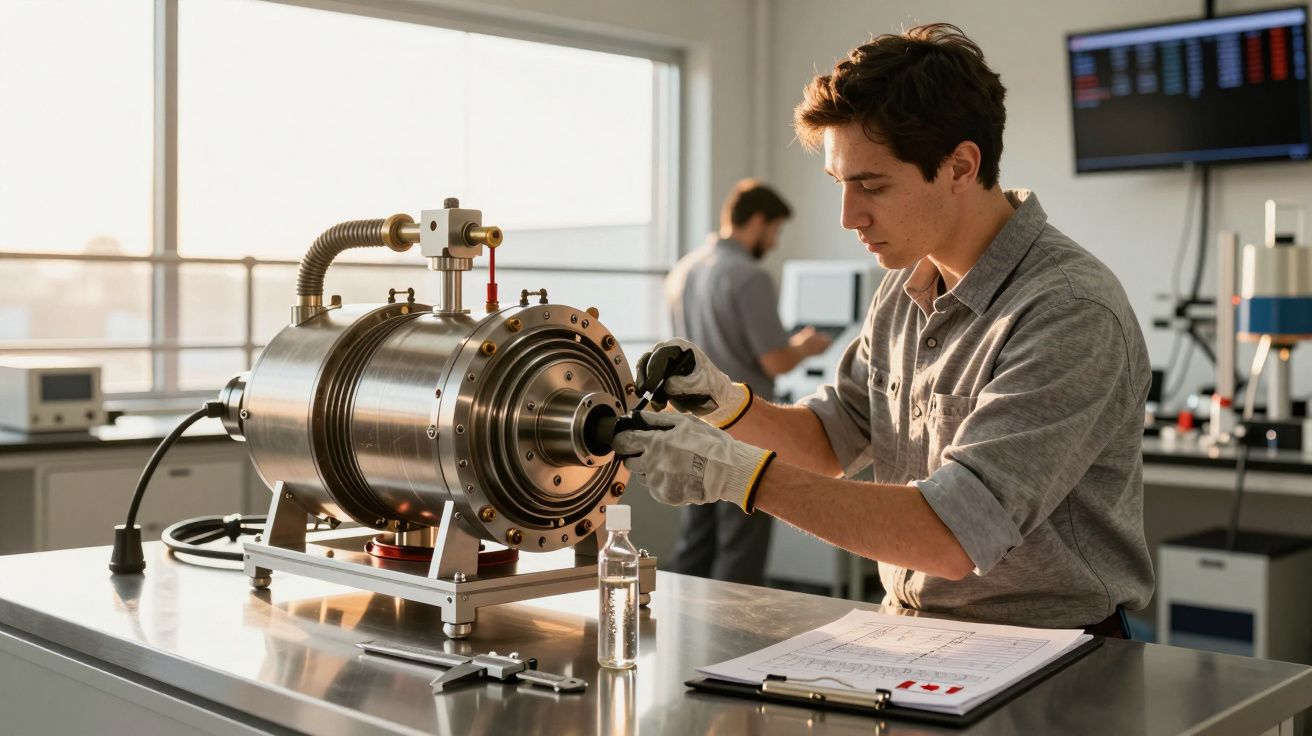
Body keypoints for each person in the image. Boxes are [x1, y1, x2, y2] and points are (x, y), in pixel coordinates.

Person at [614, 24, 1154, 635]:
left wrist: (740, 475)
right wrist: (727, 405)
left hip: (1050, 649)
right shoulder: (904, 285)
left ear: (961, 165)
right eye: (840, 185)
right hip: (911, 630)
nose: (850, 217)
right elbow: (829, 440)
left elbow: (954, 533)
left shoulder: (1068, 308)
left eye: (872, 186)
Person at [657, 179, 832, 586]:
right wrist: (806, 346)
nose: (773, 242)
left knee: (695, 543)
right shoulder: (749, 276)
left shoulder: (683, 270)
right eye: (775, 231)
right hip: (743, 430)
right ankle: (736, 644)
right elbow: (775, 361)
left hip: (693, 426)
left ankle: (682, 636)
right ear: (757, 221)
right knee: (741, 549)